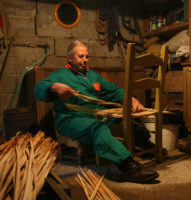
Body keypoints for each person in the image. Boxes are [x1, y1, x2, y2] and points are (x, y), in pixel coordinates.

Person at [34, 40, 159, 183]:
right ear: (70, 57)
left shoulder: (92, 75)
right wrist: (54, 87)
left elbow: (114, 91)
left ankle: (142, 141)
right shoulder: (60, 75)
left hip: (97, 113)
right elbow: (39, 88)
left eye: (87, 56)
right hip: (71, 119)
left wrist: (131, 99)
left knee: (129, 113)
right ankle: (127, 166)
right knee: (97, 128)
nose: (85, 60)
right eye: (81, 56)